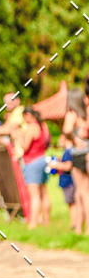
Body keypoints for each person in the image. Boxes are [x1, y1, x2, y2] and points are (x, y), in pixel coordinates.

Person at [62, 83, 89, 229]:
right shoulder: (85, 114)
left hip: (78, 155)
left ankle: (83, 229)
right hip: (87, 153)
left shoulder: (72, 114)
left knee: (82, 193)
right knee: (83, 192)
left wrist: (73, 140)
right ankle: (78, 228)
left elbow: (66, 130)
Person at [19, 107, 51, 229]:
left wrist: (19, 137)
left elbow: (25, 147)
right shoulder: (43, 126)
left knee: (34, 195)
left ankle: (33, 223)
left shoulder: (31, 127)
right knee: (44, 192)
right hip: (42, 159)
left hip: (32, 162)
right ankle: (46, 221)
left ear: (27, 115)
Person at [49, 135, 79, 232]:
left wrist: (55, 165)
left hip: (69, 182)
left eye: (61, 139)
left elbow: (68, 166)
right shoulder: (70, 151)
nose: (59, 141)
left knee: (72, 204)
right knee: (71, 204)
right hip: (68, 182)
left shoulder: (68, 151)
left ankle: (75, 224)